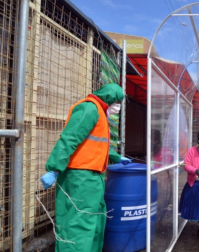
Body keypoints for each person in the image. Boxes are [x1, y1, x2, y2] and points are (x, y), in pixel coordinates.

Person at [39, 83, 131, 251]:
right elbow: (70, 138)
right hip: (80, 178)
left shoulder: (99, 113)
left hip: (91, 179)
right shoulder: (89, 109)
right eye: (117, 102)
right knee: (77, 227)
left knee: (92, 224)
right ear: (109, 98)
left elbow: (94, 144)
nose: (118, 107)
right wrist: (54, 168)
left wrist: (117, 157)